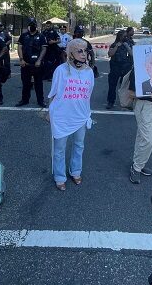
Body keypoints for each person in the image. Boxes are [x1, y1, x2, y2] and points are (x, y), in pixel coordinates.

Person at [48, 39, 95, 191]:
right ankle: (59, 176)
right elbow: (53, 94)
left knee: (79, 145)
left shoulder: (89, 72)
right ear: (70, 53)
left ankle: (75, 171)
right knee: (59, 149)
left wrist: (86, 112)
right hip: (62, 117)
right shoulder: (60, 71)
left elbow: (88, 94)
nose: (84, 54)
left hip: (81, 116)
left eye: (85, 51)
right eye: (79, 51)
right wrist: (51, 113)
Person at [129, 37, 152, 184]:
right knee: (148, 140)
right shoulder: (138, 69)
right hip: (143, 106)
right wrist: (149, 95)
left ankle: (138, 165)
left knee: (142, 137)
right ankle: (136, 168)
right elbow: (130, 94)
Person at [16, 19, 48, 107]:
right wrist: (21, 59)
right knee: (26, 84)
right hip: (25, 64)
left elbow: (44, 49)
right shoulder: (23, 36)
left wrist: (39, 60)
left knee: (38, 84)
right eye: (30, 24)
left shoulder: (41, 36)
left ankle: (41, 101)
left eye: (33, 24)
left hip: (37, 65)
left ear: (36, 25)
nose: (32, 26)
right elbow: (19, 47)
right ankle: (24, 100)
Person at [106, 30, 132, 109]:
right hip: (115, 67)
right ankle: (111, 101)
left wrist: (127, 46)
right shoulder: (114, 44)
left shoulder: (128, 43)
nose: (126, 38)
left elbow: (132, 54)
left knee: (127, 86)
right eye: (124, 36)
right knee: (112, 85)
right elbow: (110, 54)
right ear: (120, 37)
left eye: (126, 36)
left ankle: (127, 103)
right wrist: (117, 46)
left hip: (125, 67)